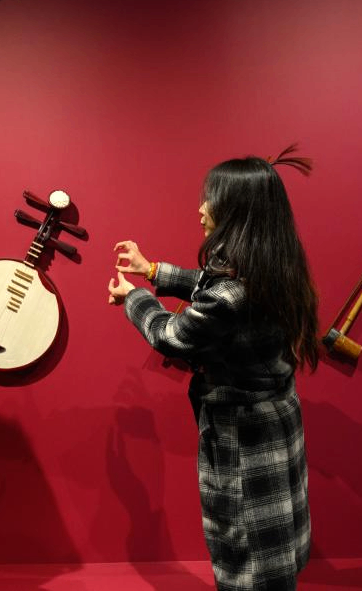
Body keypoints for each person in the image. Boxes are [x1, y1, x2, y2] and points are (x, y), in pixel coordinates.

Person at [107, 147, 318, 591]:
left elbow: (171, 335)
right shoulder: (273, 263)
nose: (201, 209)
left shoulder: (232, 291)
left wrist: (134, 297)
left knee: (248, 552)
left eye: (211, 199)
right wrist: (154, 270)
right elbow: (212, 288)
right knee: (275, 549)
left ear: (236, 211)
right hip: (277, 422)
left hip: (245, 441)